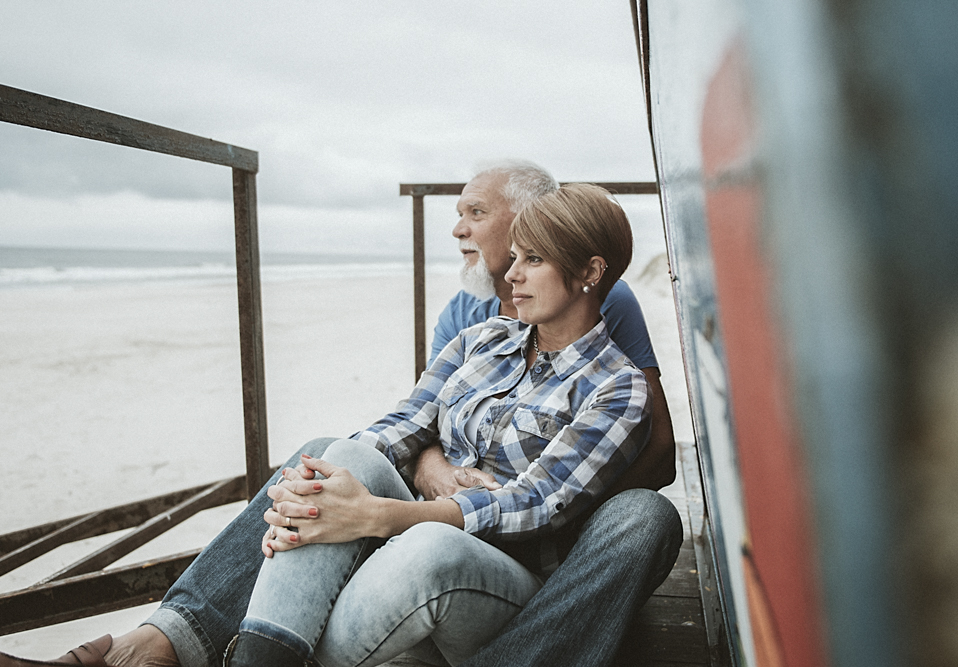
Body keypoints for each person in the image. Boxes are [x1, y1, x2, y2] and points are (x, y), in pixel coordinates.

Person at [5, 164, 681, 667]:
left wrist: (378, 515)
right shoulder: (479, 336)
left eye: (532, 260)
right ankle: (189, 643)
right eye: (518, 256)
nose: (511, 274)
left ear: (588, 273)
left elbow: (538, 504)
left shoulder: (614, 384)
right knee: (332, 452)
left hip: (501, 561)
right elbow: (406, 421)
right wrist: (315, 488)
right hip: (425, 522)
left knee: (429, 544)